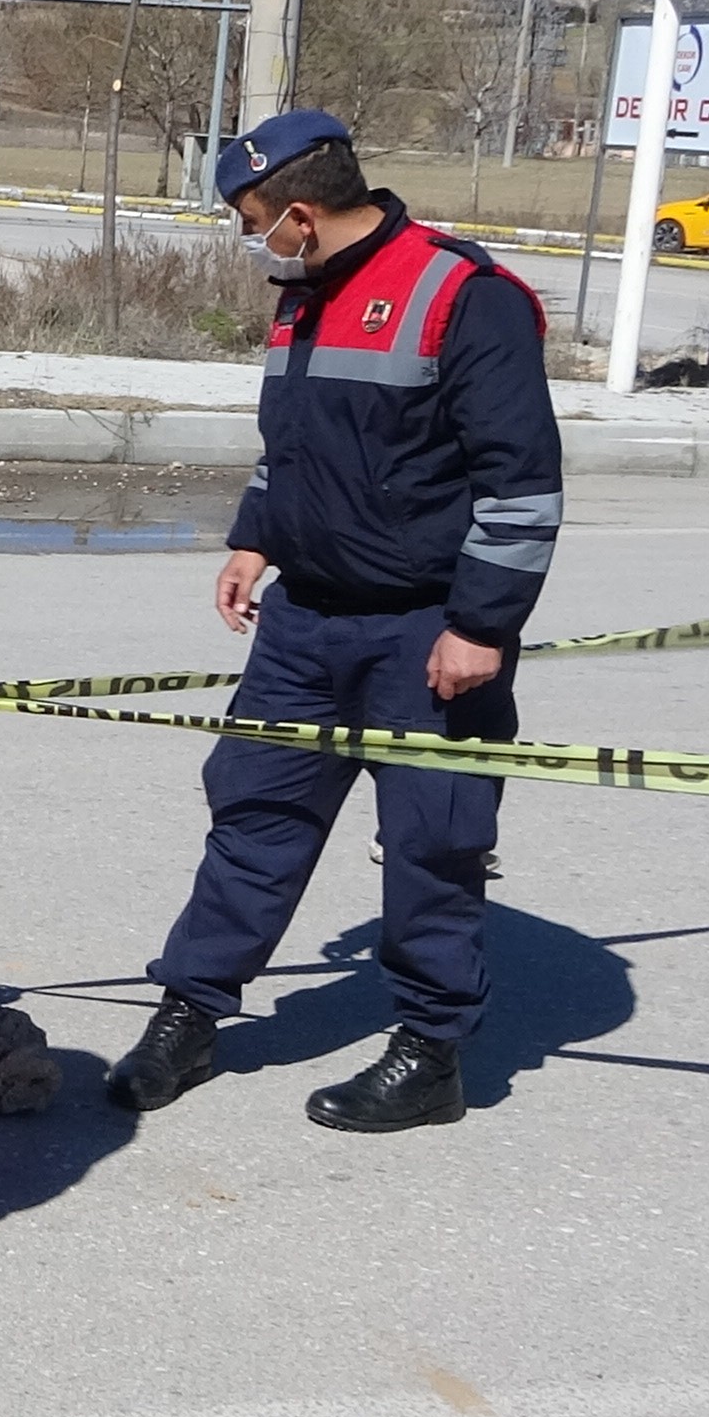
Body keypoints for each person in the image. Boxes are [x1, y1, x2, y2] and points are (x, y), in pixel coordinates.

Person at [105, 109, 566, 1134]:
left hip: (426, 633)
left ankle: (432, 1052)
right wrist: (254, 539)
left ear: (301, 216)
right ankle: (190, 1014)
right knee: (252, 822)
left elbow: (522, 487)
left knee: (433, 845)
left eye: (252, 221)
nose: (252, 240)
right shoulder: (304, 297)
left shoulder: (464, 297)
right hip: (305, 625)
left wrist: (481, 626)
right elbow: (296, 449)